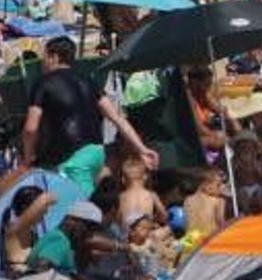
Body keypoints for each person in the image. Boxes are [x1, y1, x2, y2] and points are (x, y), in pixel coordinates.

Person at [21, 36, 158, 196]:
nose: (42, 63)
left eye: (44, 57)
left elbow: (30, 128)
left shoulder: (43, 83)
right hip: (96, 153)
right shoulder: (88, 81)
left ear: (54, 57)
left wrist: (28, 158)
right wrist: (141, 149)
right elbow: (117, 118)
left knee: (85, 214)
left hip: (73, 159)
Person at [183, 168, 228, 238]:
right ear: (207, 186)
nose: (221, 188)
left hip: (190, 241)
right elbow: (221, 225)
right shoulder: (218, 201)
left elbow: (187, 225)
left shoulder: (187, 200)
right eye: (218, 185)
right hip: (209, 241)